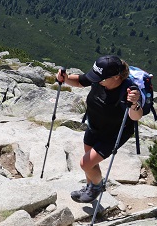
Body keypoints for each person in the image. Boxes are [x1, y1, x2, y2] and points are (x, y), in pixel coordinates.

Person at [57, 55, 143, 203]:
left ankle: (97, 187)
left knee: (86, 163)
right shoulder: (99, 78)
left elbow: (136, 117)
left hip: (113, 135)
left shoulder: (129, 92)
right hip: (94, 126)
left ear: (116, 77)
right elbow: (80, 80)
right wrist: (64, 78)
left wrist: (135, 104)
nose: (96, 79)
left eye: (100, 77)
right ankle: (89, 187)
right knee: (89, 162)